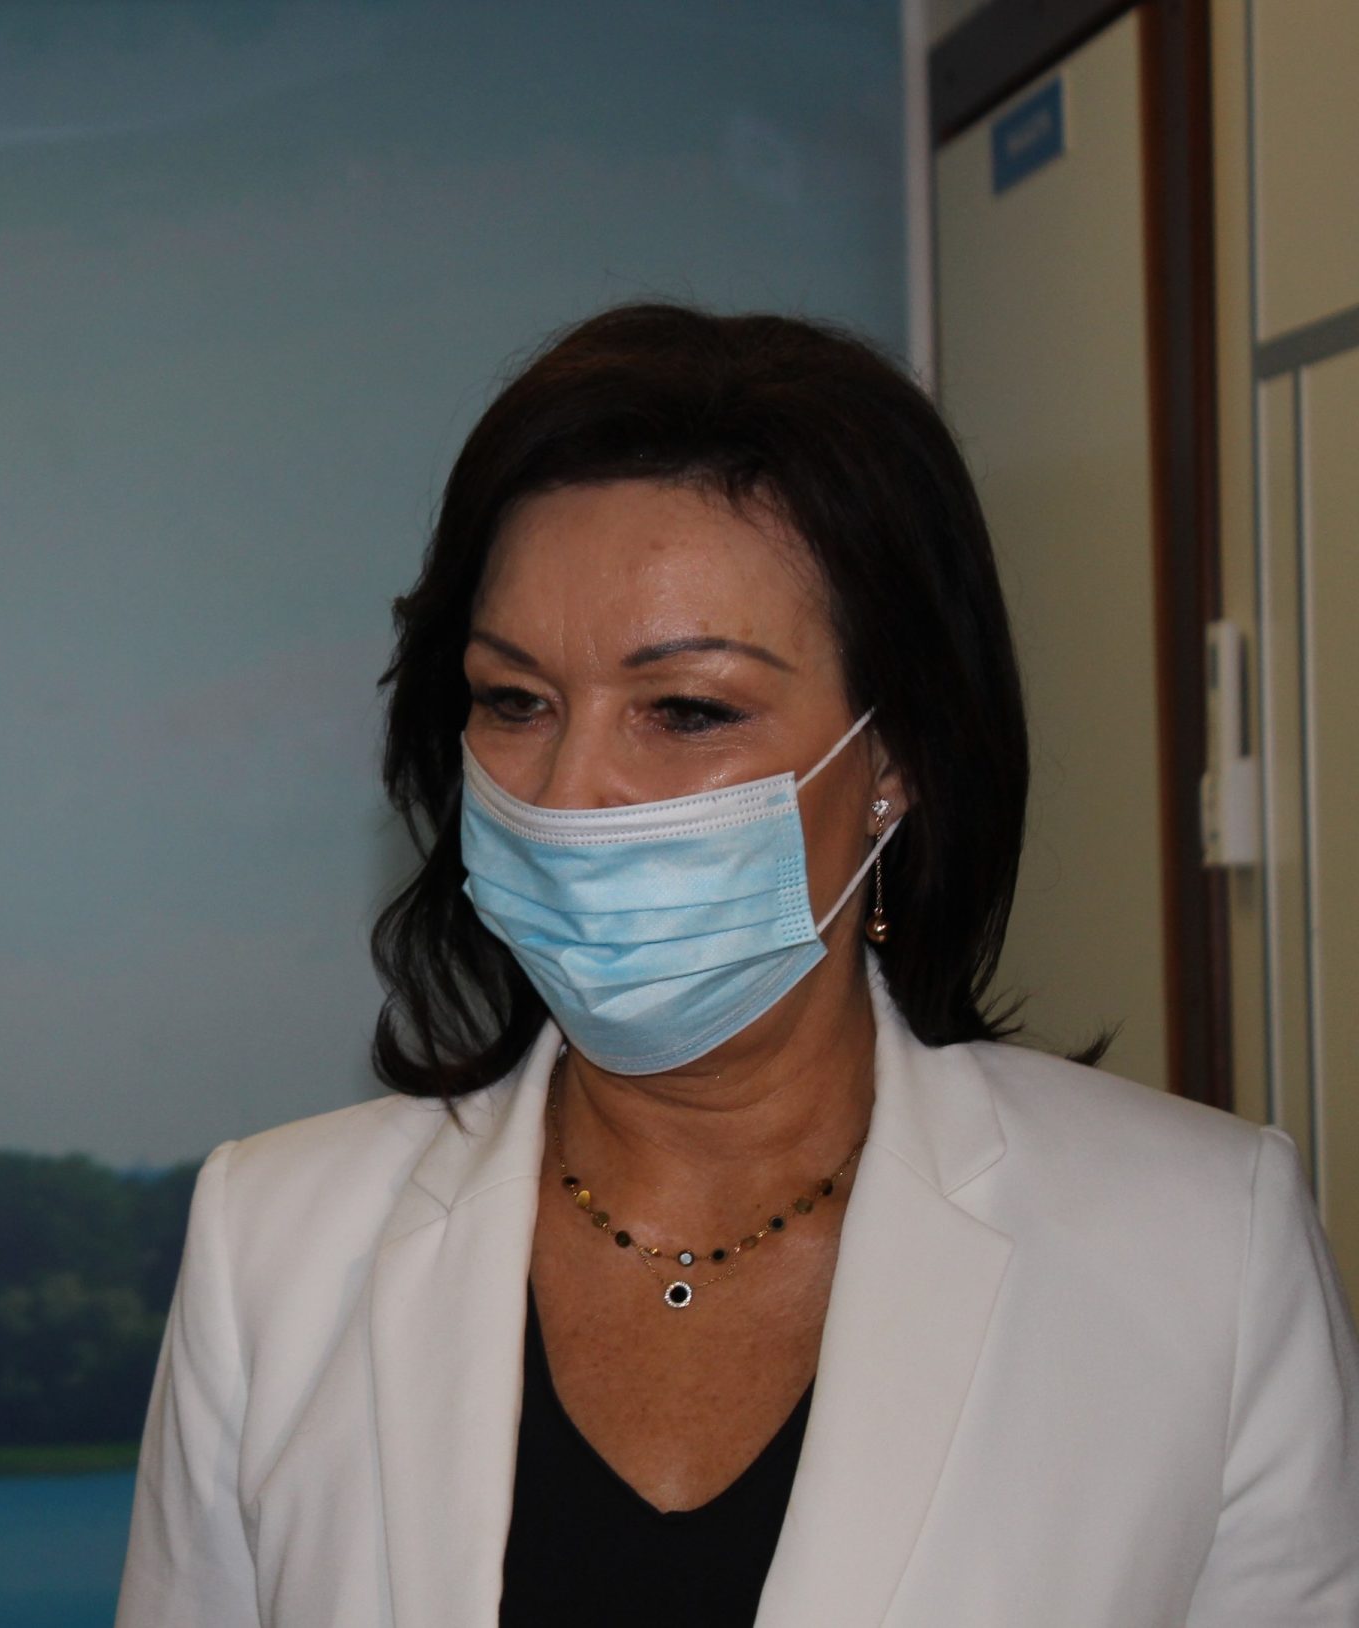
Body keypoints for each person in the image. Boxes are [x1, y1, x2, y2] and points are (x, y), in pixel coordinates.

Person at [115, 304, 1359, 1627]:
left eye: (687, 710)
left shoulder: (1197, 1247)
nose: (572, 790)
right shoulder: (278, 1246)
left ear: (895, 758)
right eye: (515, 701)